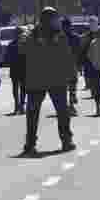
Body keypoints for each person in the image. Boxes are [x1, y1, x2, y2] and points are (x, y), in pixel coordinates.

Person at [21, 8, 76, 155]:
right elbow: (68, 57)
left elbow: (67, 57)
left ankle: (63, 140)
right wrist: (71, 76)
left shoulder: (56, 36)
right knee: (39, 113)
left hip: (47, 80)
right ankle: (33, 143)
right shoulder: (32, 35)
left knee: (58, 112)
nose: (57, 22)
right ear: (48, 20)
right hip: (45, 80)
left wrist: (71, 76)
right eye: (54, 19)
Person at [63, 16, 80, 115]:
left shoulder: (59, 37)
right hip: (72, 64)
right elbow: (78, 51)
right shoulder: (75, 37)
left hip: (63, 65)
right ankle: (71, 104)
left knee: (66, 86)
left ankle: (69, 105)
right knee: (72, 85)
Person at [7, 28, 26, 114]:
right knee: (17, 88)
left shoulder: (25, 44)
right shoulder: (11, 44)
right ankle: (17, 105)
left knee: (23, 88)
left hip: (22, 69)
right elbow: (8, 57)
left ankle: (21, 105)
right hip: (16, 69)